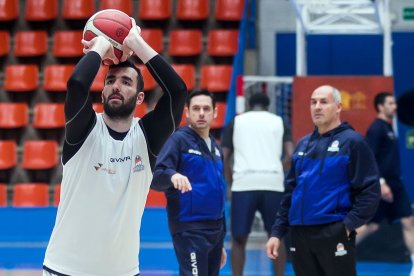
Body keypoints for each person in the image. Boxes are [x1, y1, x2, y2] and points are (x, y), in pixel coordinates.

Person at [43, 18, 187, 276]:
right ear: (102, 92)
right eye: (110, 81)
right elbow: (76, 84)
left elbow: (177, 91)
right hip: (64, 270)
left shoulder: (148, 137)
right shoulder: (83, 130)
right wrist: (99, 46)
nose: (116, 86)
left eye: (126, 82)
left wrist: (135, 44)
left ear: (140, 97)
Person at [266, 85, 381, 276]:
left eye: (323, 102)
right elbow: (290, 192)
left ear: (338, 107)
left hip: (333, 232)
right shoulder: (303, 144)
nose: (317, 107)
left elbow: (370, 190)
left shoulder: (353, 142)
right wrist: (277, 233)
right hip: (300, 235)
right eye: (313, 102)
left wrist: (348, 225)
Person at [151, 89, 227, 276]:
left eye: (206, 109)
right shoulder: (178, 140)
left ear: (215, 112)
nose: (201, 113)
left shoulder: (216, 148)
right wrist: (172, 176)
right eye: (196, 108)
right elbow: (156, 176)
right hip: (190, 230)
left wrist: (220, 242)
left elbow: (217, 192)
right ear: (187, 112)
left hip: (216, 232)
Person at [221, 93, 294, 276]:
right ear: (268, 106)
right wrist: (278, 170)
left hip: (243, 184)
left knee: (239, 239)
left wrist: (231, 181)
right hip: (273, 184)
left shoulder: (236, 122)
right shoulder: (279, 121)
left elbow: (224, 157)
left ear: (248, 104)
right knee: (276, 237)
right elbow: (290, 156)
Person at [356, 92, 414, 276]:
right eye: (390, 103)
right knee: (371, 225)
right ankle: (335, 248)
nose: (395, 106)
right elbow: (369, 158)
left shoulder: (389, 128)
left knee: (409, 221)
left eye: (395, 103)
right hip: (381, 185)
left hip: (395, 184)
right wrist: (381, 183)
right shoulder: (376, 129)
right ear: (381, 106)